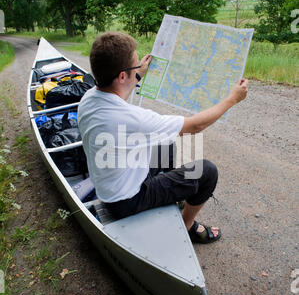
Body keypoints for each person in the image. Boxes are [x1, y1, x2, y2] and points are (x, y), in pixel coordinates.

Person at [78, 32, 248, 244]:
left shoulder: (89, 98)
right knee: (206, 172)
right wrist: (232, 99)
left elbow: (118, 94)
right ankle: (187, 226)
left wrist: (137, 73)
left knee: (165, 145)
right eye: (133, 65)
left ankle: (171, 197)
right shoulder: (132, 119)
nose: (136, 68)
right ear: (122, 76)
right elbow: (196, 125)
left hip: (111, 184)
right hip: (128, 200)